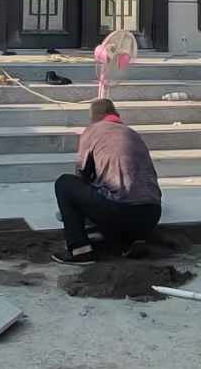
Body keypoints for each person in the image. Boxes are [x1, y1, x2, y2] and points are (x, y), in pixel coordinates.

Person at [52, 99, 161, 265]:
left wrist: (73, 211)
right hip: (152, 213)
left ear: (93, 117)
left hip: (120, 210)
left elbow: (82, 174)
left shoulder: (93, 131)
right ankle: (131, 242)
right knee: (116, 203)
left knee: (64, 184)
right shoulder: (131, 133)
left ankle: (80, 250)